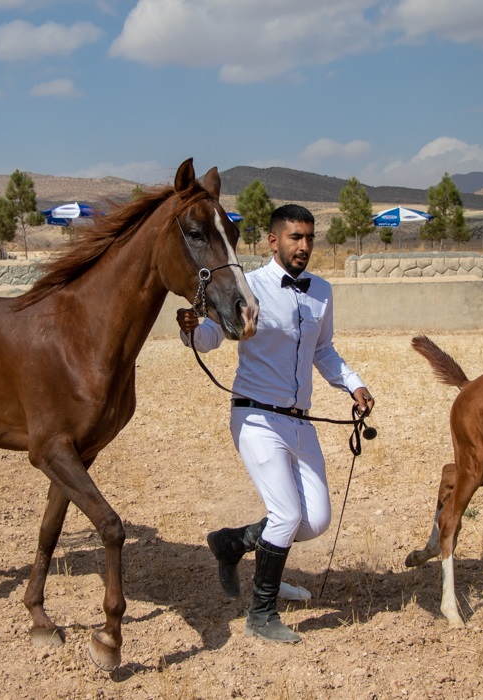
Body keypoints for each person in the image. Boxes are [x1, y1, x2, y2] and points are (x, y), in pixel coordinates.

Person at [177, 203, 374, 644]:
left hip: (300, 422)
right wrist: (192, 327)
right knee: (285, 515)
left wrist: (354, 386)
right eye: (295, 238)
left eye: (308, 238)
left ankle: (231, 544)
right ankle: (261, 615)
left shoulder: (322, 291)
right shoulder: (250, 286)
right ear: (273, 241)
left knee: (314, 520)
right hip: (256, 415)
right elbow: (213, 336)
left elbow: (324, 351)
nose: (304, 246)